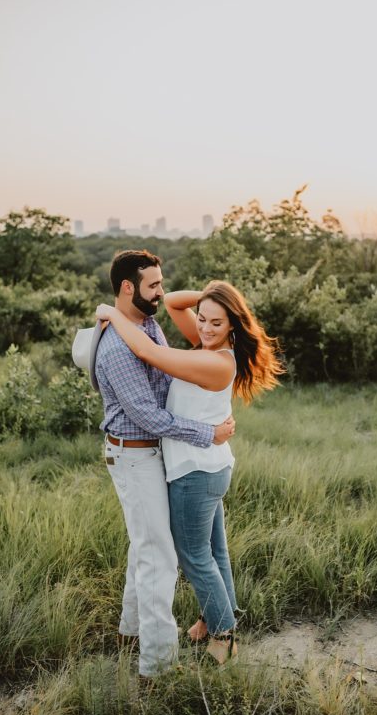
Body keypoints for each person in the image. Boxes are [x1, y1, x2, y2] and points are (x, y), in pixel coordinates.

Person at [96, 279, 283, 665]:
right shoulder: (210, 345)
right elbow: (177, 304)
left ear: (233, 324)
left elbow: (146, 350)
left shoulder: (213, 361)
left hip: (194, 473)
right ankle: (212, 618)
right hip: (211, 467)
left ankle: (223, 635)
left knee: (193, 554)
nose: (205, 327)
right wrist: (216, 300)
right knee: (215, 551)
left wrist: (113, 312)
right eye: (203, 319)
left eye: (217, 322)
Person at [92, 250, 236, 678]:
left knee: (155, 550)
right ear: (127, 288)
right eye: (154, 285)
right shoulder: (120, 344)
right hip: (137, 455)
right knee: (158, 557)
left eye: (217, 320)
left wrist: (219, 297)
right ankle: (157, 665)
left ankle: (138, 632)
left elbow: (160, 346)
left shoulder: (146, 323)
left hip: (170, 457)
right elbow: (150, 416)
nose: (162, 292)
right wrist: (207, 432)